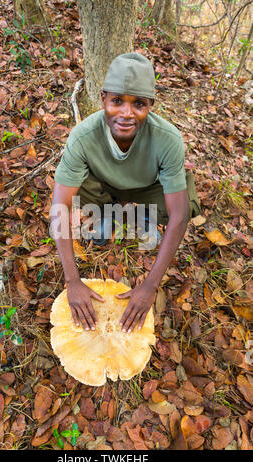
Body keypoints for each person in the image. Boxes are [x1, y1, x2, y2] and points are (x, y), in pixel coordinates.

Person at [49, 53, 200, 334]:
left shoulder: (168, 139)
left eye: (139, 104)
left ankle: (138, 214)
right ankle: (110, 213)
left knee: (184, 199)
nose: (127, 114)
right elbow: (60, 205)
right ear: (103, 98)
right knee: (88, 220)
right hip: (103, 186)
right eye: (117, 101)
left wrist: (150, 285)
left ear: (151, 106)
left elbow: (179, 216)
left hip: (145, 188)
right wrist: (72, 281)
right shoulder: (82, 137)